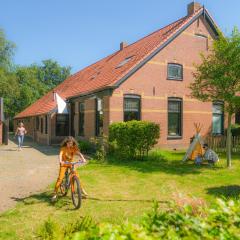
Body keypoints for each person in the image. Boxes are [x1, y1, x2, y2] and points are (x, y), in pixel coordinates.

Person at [52, 136, 88, 202]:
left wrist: (83, 158)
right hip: (64, 164)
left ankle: (81, 190)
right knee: (60, 178)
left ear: (73, 143)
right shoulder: (63, 148)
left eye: (71, 143)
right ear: (66, 143)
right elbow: (60, 154)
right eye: (68, 143)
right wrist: (60, 161)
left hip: (71, 163)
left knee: (76, 176)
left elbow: (79, 153)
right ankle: (55, 193)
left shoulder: (74, 148)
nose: (70, 145)